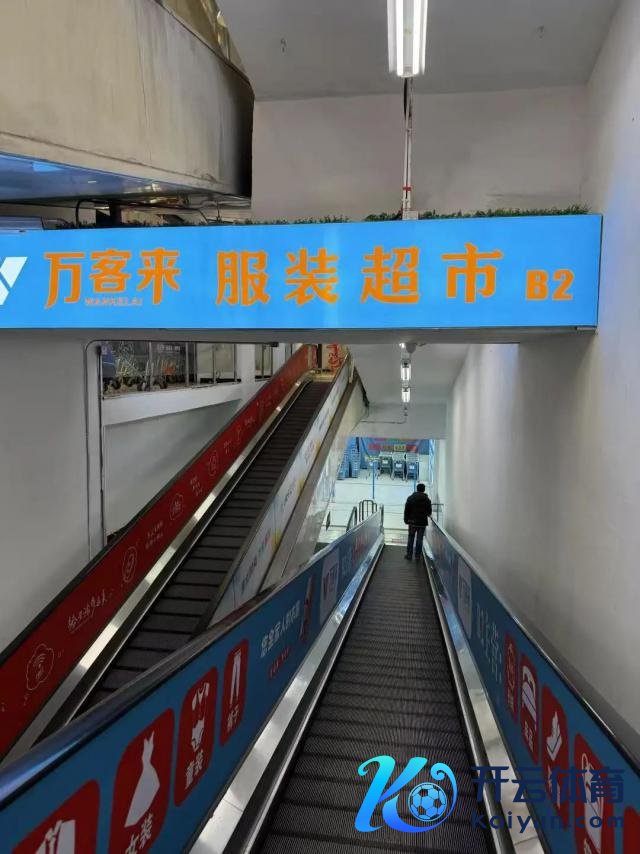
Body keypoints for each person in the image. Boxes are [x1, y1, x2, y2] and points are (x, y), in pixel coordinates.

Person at [403, 483, 432, 560]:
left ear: (417, 489)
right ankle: (417, 556)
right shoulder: (427, 500)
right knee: (419, 539)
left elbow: (406, 510)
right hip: (422, 523)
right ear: (424, 490)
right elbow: (429, 512)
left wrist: (406, 519)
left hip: (412, 522)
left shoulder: (410, 498)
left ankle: (409, 555)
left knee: (411, 538)